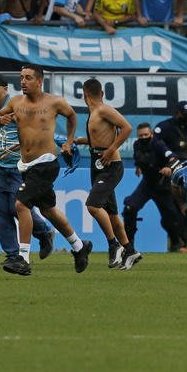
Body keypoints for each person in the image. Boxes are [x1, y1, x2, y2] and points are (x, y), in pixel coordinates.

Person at [0, 65, 93, 276]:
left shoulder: (54, 101)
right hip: (26, 166)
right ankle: (78, 246)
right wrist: (0, 119)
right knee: (48, 210)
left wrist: (67, 142)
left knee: (21, 204)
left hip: (46, 163)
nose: (23, 82)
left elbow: (73, 116)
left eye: (28, 78)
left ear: (39, 81)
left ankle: (23, 258)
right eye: (21, 77)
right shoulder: (15, 102)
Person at [0, 73, 54, 268]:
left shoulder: (18, 107)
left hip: (18, 167)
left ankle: (44, 232)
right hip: (0, 168)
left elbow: (32, 132)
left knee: (17, 207)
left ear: (5, 89)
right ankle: (12, 255)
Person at [76, 78, 141, 269]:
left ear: (84, 94)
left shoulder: (104, 110)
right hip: (97, 164)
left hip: (111, 166)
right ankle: (130, 250)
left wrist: (112, 149)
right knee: (112, 213)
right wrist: (81, 141)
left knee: (93, 206)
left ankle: (114, 245)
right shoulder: (94, 112)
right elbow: (99, 137)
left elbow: (127, 128)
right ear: (101, 93)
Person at [123, 122, 184, 252]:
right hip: (146, 184)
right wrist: (138, 167)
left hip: (162, 185)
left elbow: (174, 158)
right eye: (141, 135)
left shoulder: (158, 144)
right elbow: (139, 158)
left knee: (170, 218)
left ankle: (175, 241)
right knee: (129, 208)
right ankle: (128, 245)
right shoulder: (137, 145)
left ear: (151, 134)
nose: (144, 137)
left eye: (146, 134)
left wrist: (169, 167)